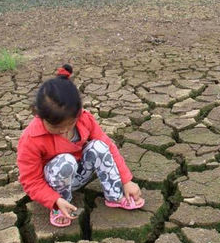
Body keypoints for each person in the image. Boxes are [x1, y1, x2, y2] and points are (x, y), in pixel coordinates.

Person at [17, 64, 143, 227]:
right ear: (38, 115)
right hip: (52, 183)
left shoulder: (85, 119)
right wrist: (53, 200)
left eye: (69, 124)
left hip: (79, 173)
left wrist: (126, 180)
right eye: (55, 127)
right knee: (65, 161)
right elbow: (31, 180)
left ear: (78, 113)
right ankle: (61, 206)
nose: (63, 131)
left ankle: (115, 194)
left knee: (99, 146)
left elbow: (108, 147)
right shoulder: (31, 138)